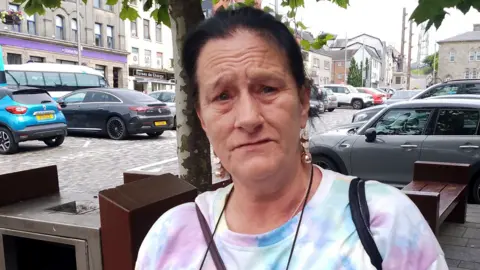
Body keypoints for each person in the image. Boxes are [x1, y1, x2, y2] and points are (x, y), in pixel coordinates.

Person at [135, 7, 448, 270]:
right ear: (202, 119)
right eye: (222, 96)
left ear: (302, 103)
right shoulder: (170, 238)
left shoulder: (383, 224)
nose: (248, 118)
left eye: (267, 89)